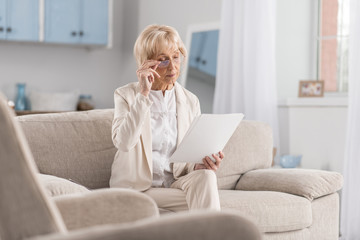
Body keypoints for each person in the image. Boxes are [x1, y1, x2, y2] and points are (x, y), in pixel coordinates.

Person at [110, 24, 224, 212]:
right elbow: (124, 143)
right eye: (163, 60)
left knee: (206, 178)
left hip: (173, 186)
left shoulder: (190, 100)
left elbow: (185, 162)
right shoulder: (125, 95)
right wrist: (144, 94)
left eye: (176, 57)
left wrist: (200, 166)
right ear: (146, 64)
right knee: (202, 204)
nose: (173, 66)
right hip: (139, 189)